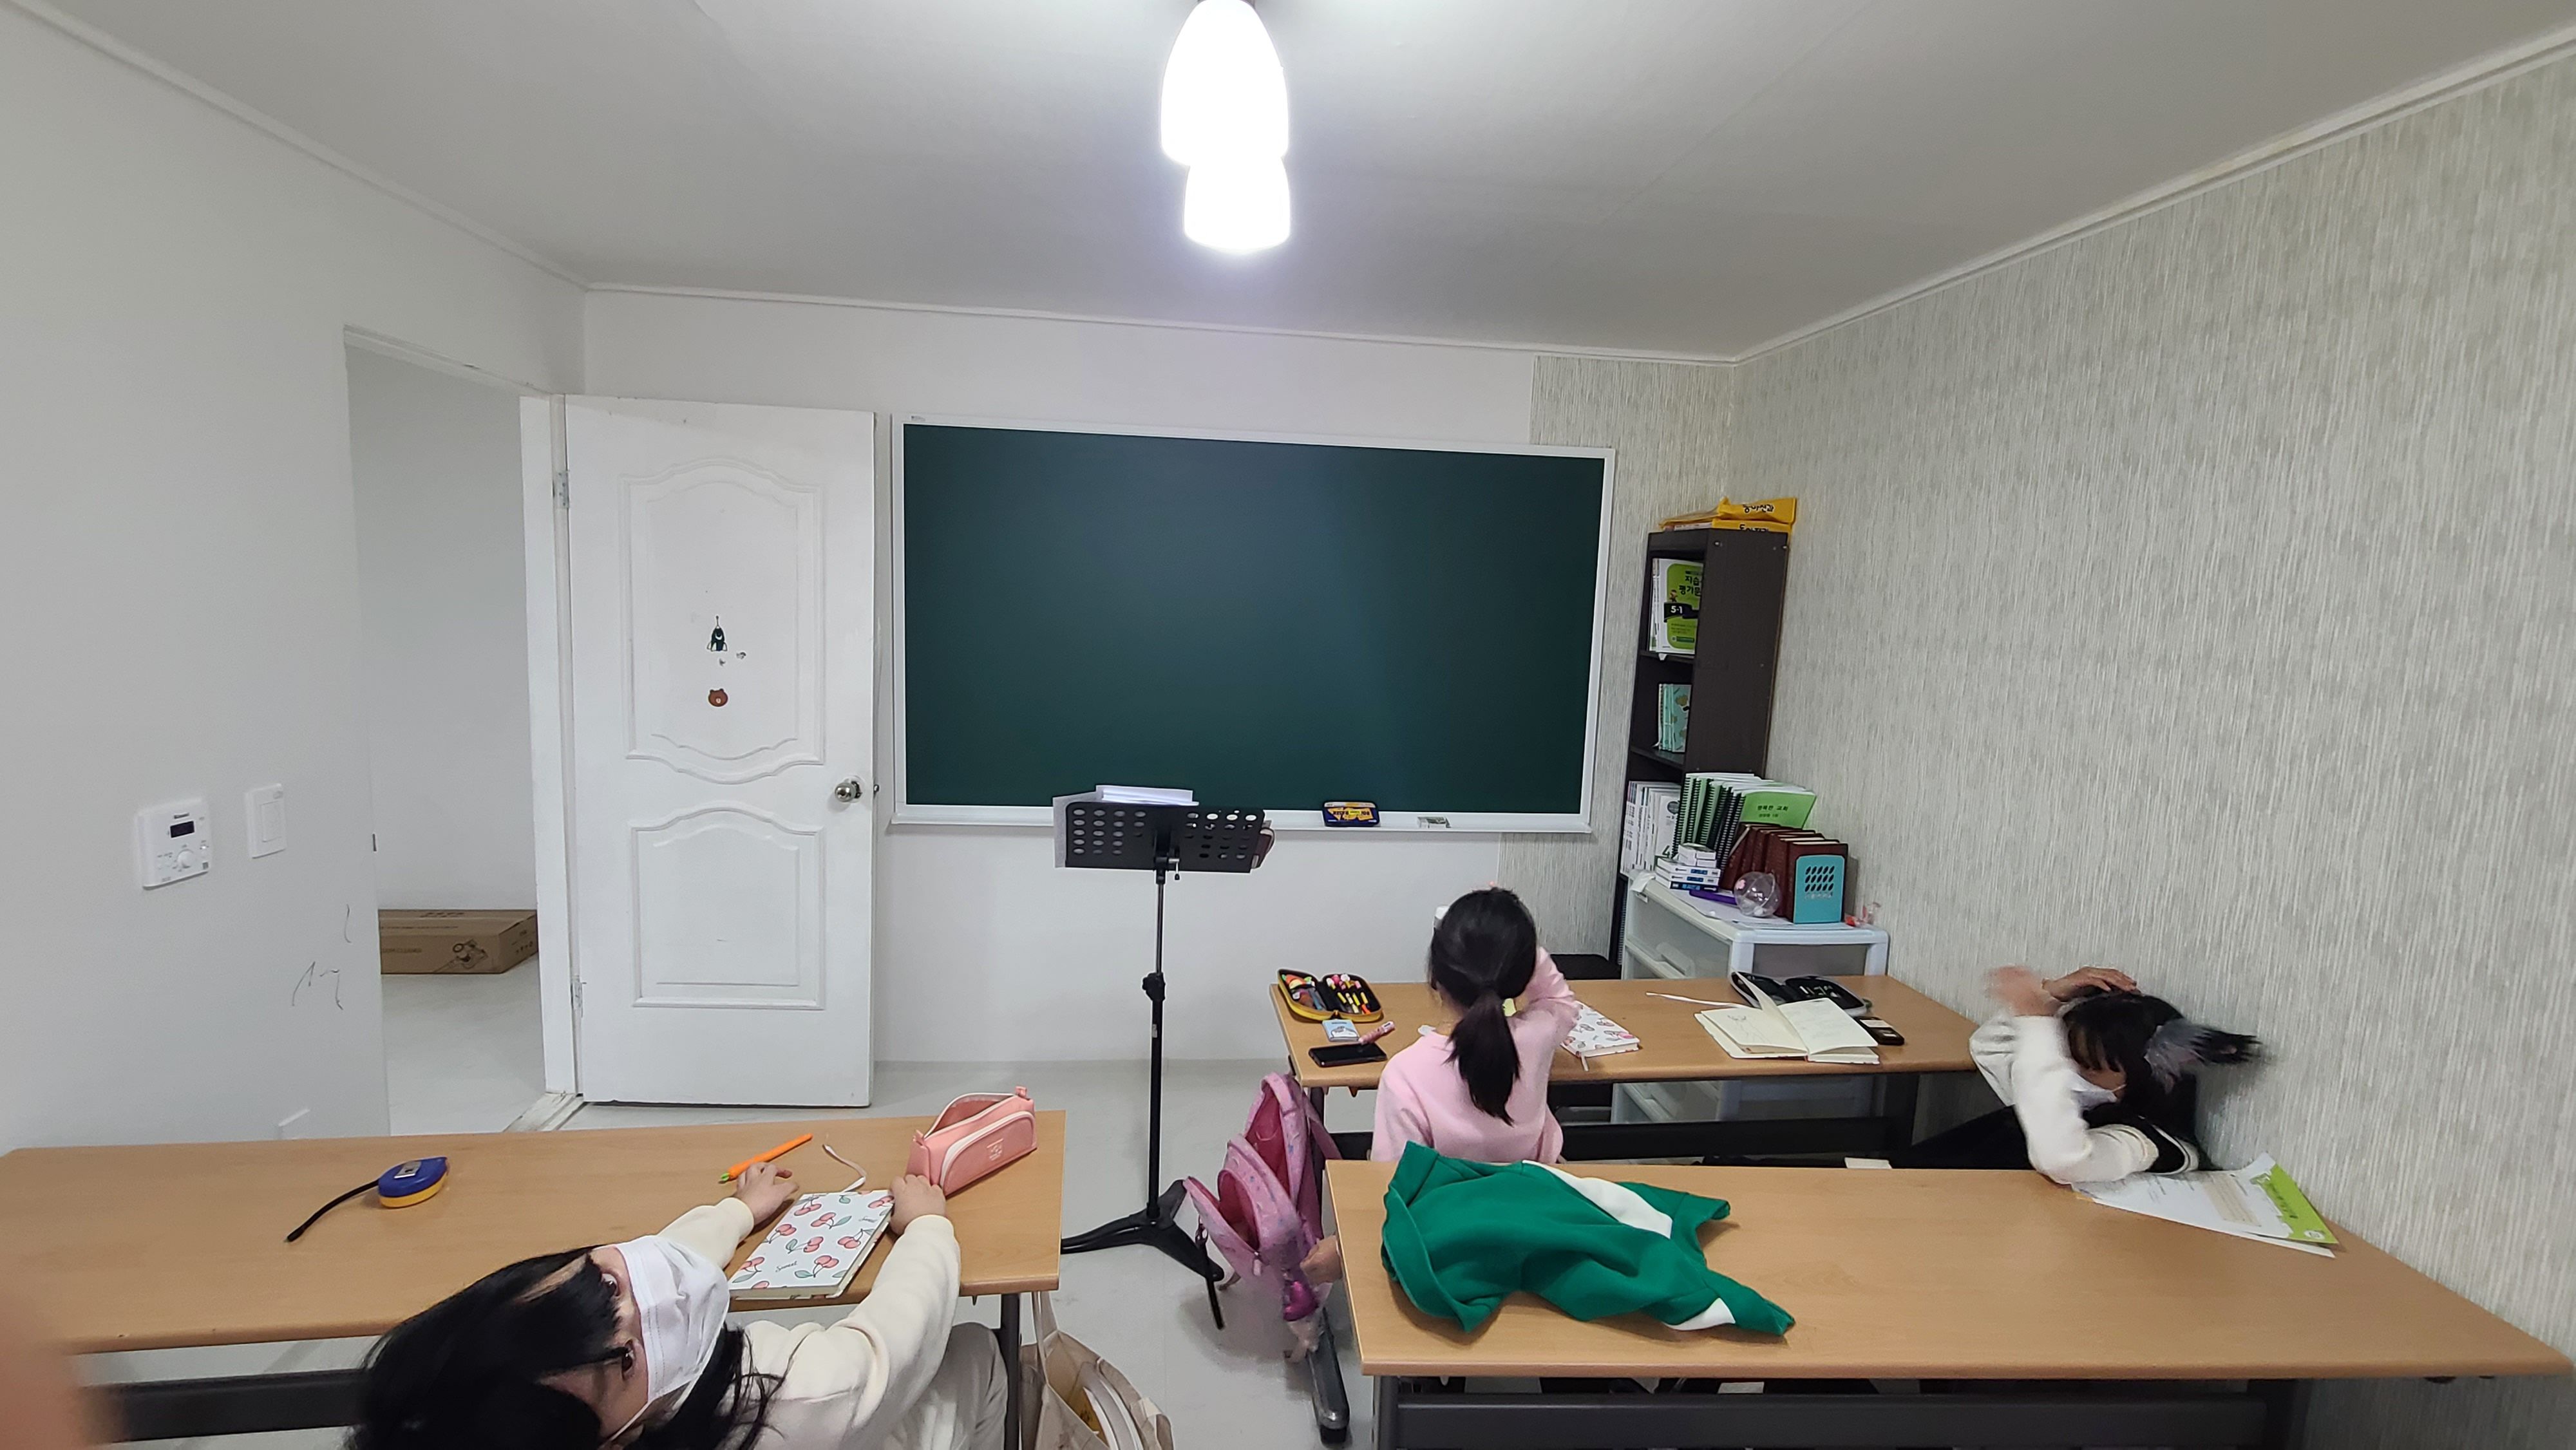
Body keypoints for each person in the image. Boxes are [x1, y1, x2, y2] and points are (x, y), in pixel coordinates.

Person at [351, 1164, 1004, 1450]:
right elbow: (887, 1344)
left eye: (605, 1286)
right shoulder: (789, 1395)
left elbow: (662, 1262)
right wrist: (926, 1229)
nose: (652, 1301)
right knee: (975, 1349)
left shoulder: (455, 1412)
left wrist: (737, 1212)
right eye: (628, 1360)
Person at [1891, 965, 2260, 1182]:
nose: (2064, 1072)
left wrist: (2037, 1025)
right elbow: (1989, 1048)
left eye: (2088, 1067)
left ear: (2144, 1078)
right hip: (1908, 1179)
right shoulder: (2064, 1098)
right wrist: (2052, 996)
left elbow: (2062, 1160)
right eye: (2064, 1056)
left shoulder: (2145, 1143)